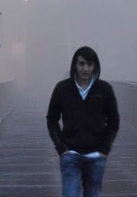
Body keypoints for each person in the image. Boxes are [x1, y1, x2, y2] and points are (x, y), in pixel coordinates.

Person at [46, 46, 120, 197]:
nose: (85, 69)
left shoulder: (104, 89)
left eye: (89, 64)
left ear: (95, 66)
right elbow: (52, 119)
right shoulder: (62, 88)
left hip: (96, 157)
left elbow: (114, 120)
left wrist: (105, 149)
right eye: (81, 64)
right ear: (75, 65)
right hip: (71, 155)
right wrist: (61, 148)